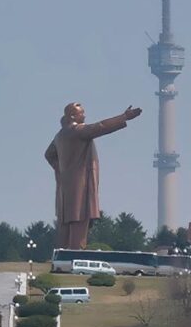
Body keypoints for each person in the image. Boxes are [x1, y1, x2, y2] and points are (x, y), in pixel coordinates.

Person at [44, 102, 142, 249]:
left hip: (65, 191)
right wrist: (124, 117)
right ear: (72, 116)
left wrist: (62, 170)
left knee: (64, 230)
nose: (84, 115)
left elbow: (48, 154)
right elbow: (100, 127)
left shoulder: (60, 135)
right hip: (81, 189)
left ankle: (62, 259)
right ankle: (74, 260)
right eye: (81, 113)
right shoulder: (77, 130)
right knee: (79, 226)